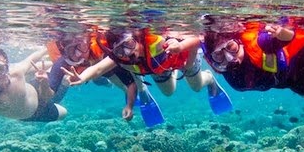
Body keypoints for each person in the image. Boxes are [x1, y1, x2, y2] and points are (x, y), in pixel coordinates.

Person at [201, 17, 304, 149]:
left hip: (302, 63)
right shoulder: (218, 56)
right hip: (282, 77)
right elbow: (196, 42)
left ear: (239, 41)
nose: (229, 58)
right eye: (219, 55)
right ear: (210, 58)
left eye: (231, 47)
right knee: (303, 91)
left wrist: (282, 32)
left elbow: (284, 37)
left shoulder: (260, 43)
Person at [63, 27, 233, 116]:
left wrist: (181, 49)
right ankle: (166, 74)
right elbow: (98, 67)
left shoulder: (157, 43)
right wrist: (82, 77)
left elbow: (198, 39)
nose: (128, 53)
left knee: (196, 87)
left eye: (129, 45)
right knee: (169, 92)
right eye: (121, 50)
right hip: (162, 66)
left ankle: (210, 79)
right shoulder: (122, 57)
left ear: (136, 39)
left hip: (186, 56)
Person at [46, 31, 138, 122]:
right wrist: (43, 83)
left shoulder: (99, 51)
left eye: (82, 48)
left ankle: (132, 92)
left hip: (102, 68)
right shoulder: (62, 62)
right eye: (71, 51)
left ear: (89, 43)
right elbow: (52, 90)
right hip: (87, 72)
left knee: (116, 81)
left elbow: (99, 69)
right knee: (93, 78)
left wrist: (130, 105)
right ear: (65, 50)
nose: (78, 55)